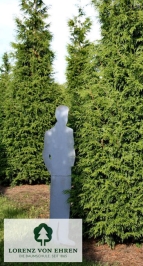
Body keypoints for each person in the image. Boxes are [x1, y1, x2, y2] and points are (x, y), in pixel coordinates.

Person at [43, 105, 75, 245]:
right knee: (56, 204)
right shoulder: (49, 133)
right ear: (57, 116)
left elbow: (71, 149)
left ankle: (63, 236)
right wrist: (52, 169)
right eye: (63, 115)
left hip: (66, 173)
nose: (65, 118)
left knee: (64, 204)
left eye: (67, 115)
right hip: (56, 173)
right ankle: (53, 236)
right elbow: (45, 154)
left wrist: (70, 164)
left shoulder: (70, 132)